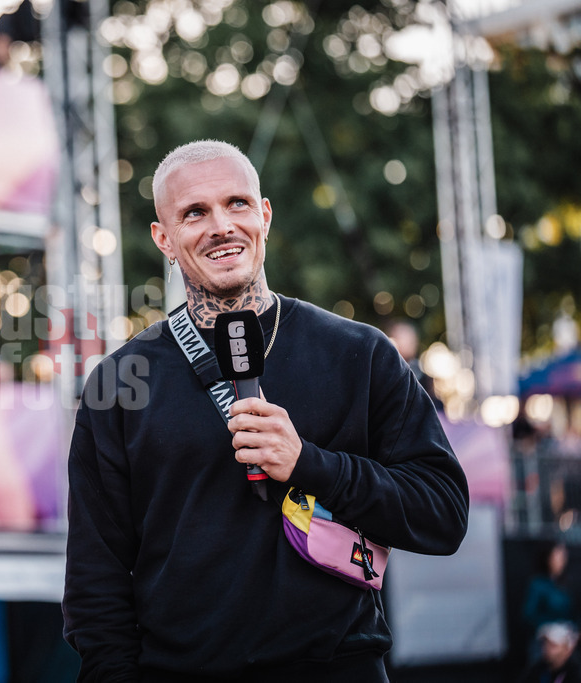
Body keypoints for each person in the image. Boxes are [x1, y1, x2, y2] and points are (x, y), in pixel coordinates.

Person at [62, 140, 470, 681]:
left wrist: (310, 464)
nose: (221, 226)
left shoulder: (360, 354)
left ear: (265, 216)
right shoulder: (119, 381)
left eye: (237, 203)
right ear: (163, 238)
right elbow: (96, 578)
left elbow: (443, 514)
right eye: (194, 213)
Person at [524, 542, 577, 659]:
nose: (562, 560)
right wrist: (548, 631)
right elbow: (528, 615)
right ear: (548, 557)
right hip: (545, 642)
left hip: (566, 641)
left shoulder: (567, 584)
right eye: (558, 556)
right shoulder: (538, 584)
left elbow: (572, 613)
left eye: (563, 556)